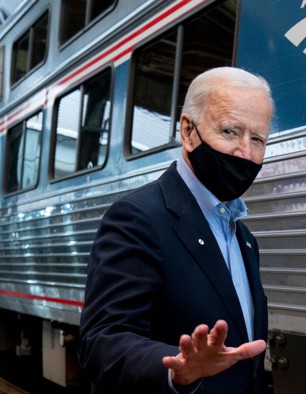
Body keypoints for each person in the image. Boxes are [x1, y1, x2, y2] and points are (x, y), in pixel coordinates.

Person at [78, 67, 273, 393]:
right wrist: (178, 371)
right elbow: (102, 341)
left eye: (257, 139)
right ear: (187, 131)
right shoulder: (137, 218)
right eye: (229, 131)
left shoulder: (244, 238)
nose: (245, 152)